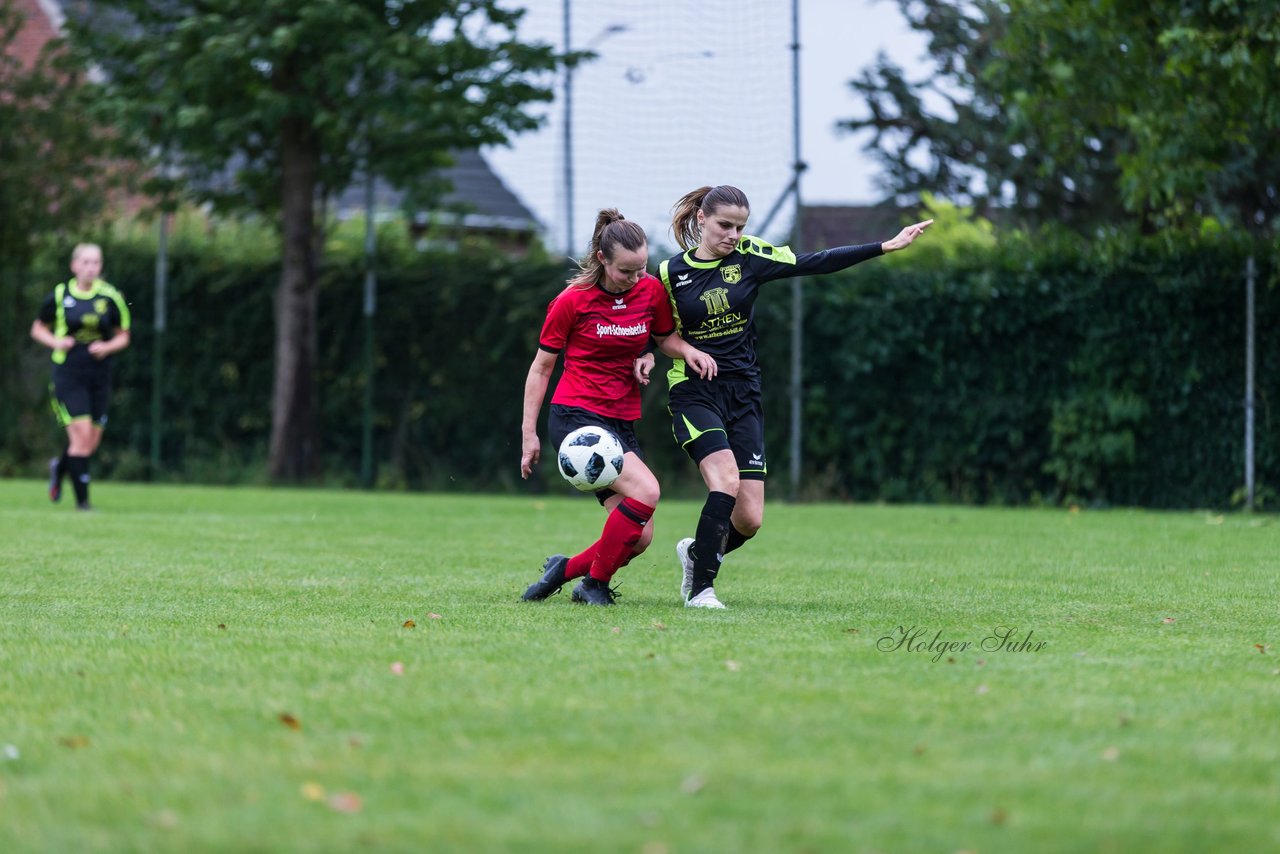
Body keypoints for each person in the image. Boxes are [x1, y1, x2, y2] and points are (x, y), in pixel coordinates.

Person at [659, 185, 932, 608]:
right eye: (724, 225)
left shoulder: (751, 256)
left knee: (749, 519)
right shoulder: (669, 273)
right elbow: (660, 333)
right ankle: (702, 592)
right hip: (694, 393)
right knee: (725, 481)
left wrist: (885, 245)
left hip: (744, 394)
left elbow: (816, 262)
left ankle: (696, 554)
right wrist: (667, 353)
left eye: (739, 226)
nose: (733, 234)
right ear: (701, 221)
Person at [520, 209, 717, 605]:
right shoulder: (571, 301)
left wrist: (684, 351)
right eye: (626, 271)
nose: (636, 278)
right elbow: (541, 369)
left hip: (621, 419)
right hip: (576, 418)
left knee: (638, 537)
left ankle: (564, 569)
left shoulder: (650, 290)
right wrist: (528, 433)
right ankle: (594, 586)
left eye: (642, 268)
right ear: (602, 259)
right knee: (648, 491)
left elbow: (662, 338)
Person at [30, 243, 132, 511]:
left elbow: (124, 336)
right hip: (68, 374)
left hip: (99, 375)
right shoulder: (60, 295)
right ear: (74, 265)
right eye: (85, 262)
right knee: (82, 436)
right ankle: (83, 504)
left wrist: (107, 347)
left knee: (90, 443)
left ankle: (59, 469)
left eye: (96, 263)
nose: (91, 268)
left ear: (100, 267)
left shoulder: (111, 297)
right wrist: (56, 341)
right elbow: (38, 329)